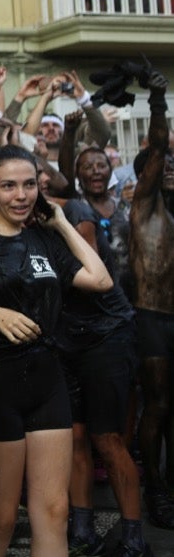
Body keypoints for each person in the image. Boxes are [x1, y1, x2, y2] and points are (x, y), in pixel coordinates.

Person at [0, 146, 113, 556]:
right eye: (8, 186)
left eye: (29, 185)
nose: (21, 195)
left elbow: (100, 280)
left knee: (55, 509)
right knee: (1, 517)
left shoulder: (44, 237)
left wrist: (60, 223)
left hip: (47, 380)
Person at [56, 146, 148, 556]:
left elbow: (88, 276)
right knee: (74, 438)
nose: (23, 194)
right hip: (66, 340)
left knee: (107, 439)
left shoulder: (76, 212)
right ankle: (82, 529)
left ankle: (133, 536)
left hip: (106, 336)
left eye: (33, 185)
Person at [127, 72, 174, 529]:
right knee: (157, 405)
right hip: (152, 318)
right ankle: (155, 489)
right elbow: (160, 147)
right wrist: (158, 100)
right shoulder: (145, 206)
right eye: (164, 166)